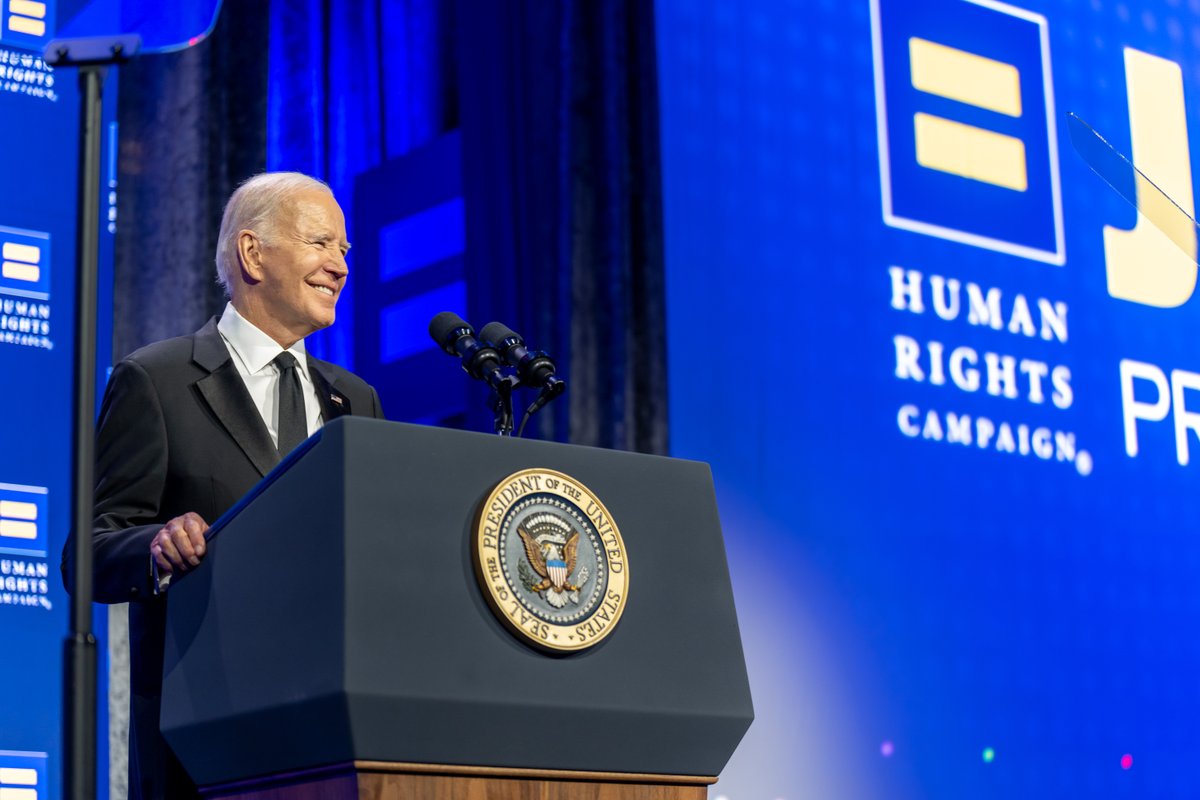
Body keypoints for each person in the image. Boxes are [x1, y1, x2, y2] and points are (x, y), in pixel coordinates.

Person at [63, 172, 386, 800]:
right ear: (252, 252)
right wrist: (156, 545)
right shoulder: (157, 381)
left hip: (334, 746)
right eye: (322, 244)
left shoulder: (356, 400)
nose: (340, 267)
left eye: (345, 251)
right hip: (207, 749)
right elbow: (88, 555)